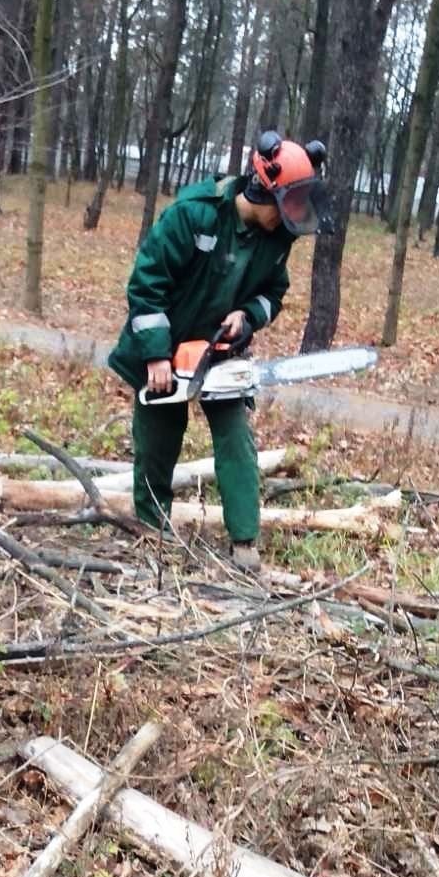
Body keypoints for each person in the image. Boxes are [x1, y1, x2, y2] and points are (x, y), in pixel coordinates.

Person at [108, 131, 332, 572]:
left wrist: (247, 316)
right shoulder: (196, 215)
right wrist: (155, 354)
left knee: (235, 440)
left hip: (220, 352)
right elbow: (146, 283)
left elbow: (273, 293)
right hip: (166, 347)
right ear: (263, 190)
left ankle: (245, 542)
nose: (296, 213)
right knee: (158, 438)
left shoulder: (276, 239)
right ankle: (152, 527)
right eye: (290, 201)